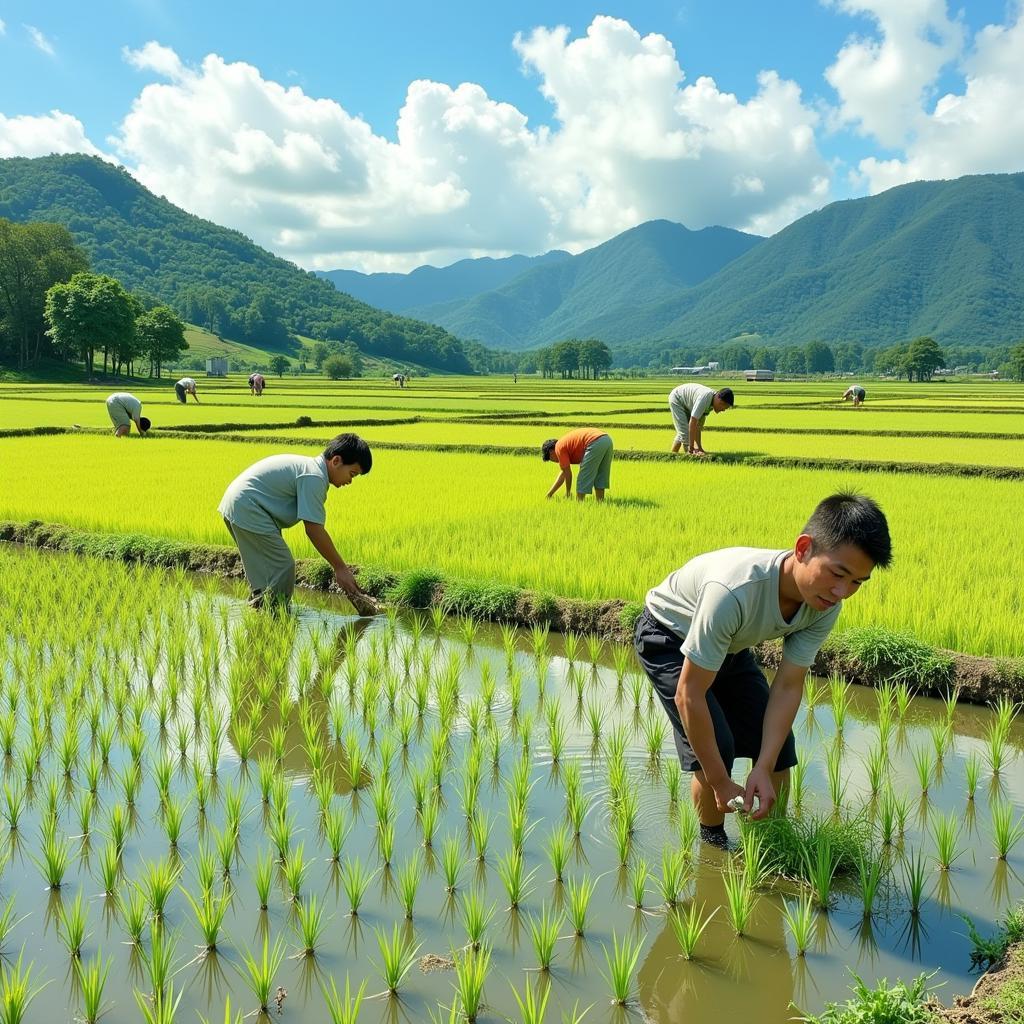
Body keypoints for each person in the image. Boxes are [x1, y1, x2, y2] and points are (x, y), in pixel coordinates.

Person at [633, 493, 891, 848]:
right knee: (715, 751)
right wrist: (722, 781)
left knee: (779, 746)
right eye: (838, 573)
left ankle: (771, 841)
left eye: (857, 583)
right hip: (669, 637)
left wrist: (763, 766)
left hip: (731, 645)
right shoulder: (734, 591)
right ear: (803, 549)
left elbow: (787, 685)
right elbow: (688, 694)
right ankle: (713, 843)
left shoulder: (824, 604)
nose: (842, 592)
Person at [218, 433, 377, 612]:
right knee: (282, 567)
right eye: (352, 474)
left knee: (266, 577)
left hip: (239, 505)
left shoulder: (310, 470)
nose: (350, 481)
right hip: (249, 508)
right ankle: (275, 617)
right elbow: (314, 529)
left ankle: (263, 615)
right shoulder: (314, 476)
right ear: (336, 461)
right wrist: (340, 568)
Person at [541, 428, 614, 502]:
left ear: (551, 451)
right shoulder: (565, 444)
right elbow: (563, 473)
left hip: (594, 442)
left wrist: (568, 493)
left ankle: (579, 503)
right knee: (600, 475)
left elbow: (567, 473)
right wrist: (549, 494)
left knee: (583, 476)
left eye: (551, 459)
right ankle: (600, 502)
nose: (555, 461)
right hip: (606, 439)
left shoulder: (558, 448)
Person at [668, 384, 734, 455]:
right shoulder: (704, 399)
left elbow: (698, 426)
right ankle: (690, 458)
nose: (723, 410)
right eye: (723, 406)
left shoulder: (711, 402)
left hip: (687, 403)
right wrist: (691, 447)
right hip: (677, 399)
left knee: (683, 432)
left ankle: (672, 455)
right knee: (685, 435)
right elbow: (693, 422)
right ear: (718, 398)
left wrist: (699, 448)